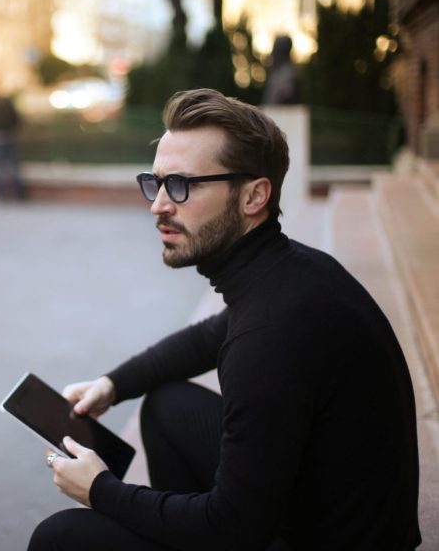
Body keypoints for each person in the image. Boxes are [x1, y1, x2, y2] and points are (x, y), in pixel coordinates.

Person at [28, 89, 421, 550]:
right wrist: (112, 385)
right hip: (320, 508)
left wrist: (100, 490)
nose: (158, 206)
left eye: (181, 185)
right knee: (168, 405)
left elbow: (232, 527)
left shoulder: (270, 335)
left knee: (61, 537)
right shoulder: (290, 272)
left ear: (254, 195)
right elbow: (208, 337)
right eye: (155, 183)